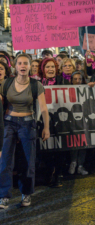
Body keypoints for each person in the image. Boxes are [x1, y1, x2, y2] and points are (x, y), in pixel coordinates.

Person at [0, 54, 50, 208]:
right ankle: (4, 196)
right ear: (15, 66)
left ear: (30, 66)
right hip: (8, 123)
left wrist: (46, 127)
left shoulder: (36, 85)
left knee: (28, 161)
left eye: (25, 63)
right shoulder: (6, 83)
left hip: (28, 124)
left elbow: (43, 109)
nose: (22, 66)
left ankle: (26, 194)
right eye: (20, 63)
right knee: (5, 161)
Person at [38, 58, 69, 187]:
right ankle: (49, 172)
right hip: (43, 120)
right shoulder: (37, 83)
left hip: (59, 120)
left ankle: (58, 175)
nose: (50, 69)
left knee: (59, 149)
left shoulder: (63, 81)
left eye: (53, 67)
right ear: (43, 69)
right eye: (47, 67)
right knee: (46, 149)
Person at [68, 71, 88, 175]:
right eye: (75, 79)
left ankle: (80, 165)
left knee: (83, 143)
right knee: (74, 143)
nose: (77, 81)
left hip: (83, 121)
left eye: (79, 79)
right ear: (71, 81)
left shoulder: (86, 90)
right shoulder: (66, 90)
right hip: (73, 122)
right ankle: (73, 163)